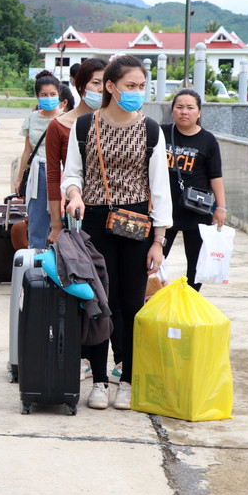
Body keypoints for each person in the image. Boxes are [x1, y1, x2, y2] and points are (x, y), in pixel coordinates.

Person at [62, 55, 172, 411]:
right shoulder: (84, 127)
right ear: (110, 86)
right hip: (93, 220)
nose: (137, 93)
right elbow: (72, 174)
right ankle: (98, 380)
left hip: (136, 223)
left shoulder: (152, 130)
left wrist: (159, 240)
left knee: (130, 303)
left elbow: (160, 189)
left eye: (141, 86)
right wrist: (74, 194)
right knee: (98, 302)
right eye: (130, 86)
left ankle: (126, 378)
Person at [162, 89, 227, 292]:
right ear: (172, 110)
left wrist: (221, 208)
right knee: (155, 259)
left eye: (190, 108)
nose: (184, 112)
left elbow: (215, 176)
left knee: (196, 266)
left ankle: (190, 303)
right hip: (165, 209)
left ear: (199, 112)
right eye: (179, 107)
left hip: (197, 210)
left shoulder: (208, 140)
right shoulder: (161, 133)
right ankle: (153, 300)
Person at [46, 59, 106, 245]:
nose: (101, 89)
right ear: (80, 86)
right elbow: (54, 177)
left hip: (114, 209)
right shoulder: (60, 125)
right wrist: (56, 225)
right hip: (77, 211)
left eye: (106, 83)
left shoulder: (118, 124)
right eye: (95, 83)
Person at [14, 71, 63, 250]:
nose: (48, 98)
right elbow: (27, 151)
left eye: (52, 94)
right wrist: (19, 178)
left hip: (60, 172)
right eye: (44, 95)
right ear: (37, 96)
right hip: (37, 173)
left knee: (61, 219)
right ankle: (36, 261)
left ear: (59, 95)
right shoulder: (32, 119)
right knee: (37, 219)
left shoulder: (67, 119)